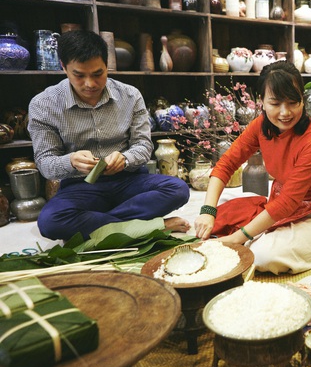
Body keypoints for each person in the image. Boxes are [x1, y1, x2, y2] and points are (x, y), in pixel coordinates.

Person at [193, 61, 311, 274]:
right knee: (219, 219)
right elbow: (227, 164)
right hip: (280, 205)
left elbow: (288, 202)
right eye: (275, 103)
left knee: (260, 256)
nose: (285, 112)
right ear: (262, 102)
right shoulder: (260, 126)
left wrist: (237, 238)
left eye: (293, 102)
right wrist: (207, 211)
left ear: (303, 101)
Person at [28, 30, 190, 241]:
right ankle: (150, 227)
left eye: (98, 74)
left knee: (178, 189)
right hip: (81, 187)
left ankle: (102, 225)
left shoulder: (130, 95)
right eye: (79, 75)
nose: (90, 84)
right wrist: (71, 161)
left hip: (129, 181)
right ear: (63, 67)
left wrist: (126, 159)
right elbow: (45, 163)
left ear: (107, 65)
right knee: (50, 222)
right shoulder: (44, 104)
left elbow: (143, 145)